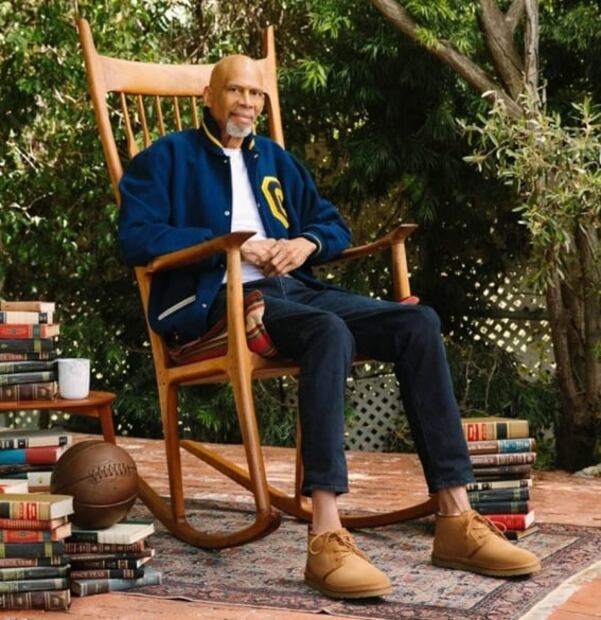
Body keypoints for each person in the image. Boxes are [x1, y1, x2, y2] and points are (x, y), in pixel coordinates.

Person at [118, 54, 541, 599]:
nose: (247, 102)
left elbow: (330, 224)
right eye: (235, 91)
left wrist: (305, 244)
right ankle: (325, 533)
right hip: (217, 301)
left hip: (296, 291)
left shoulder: (275, 160)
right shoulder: (167, 157)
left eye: (255, 93)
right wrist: (233, 246)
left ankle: (456, 518)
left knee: (417, 323)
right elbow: (136, 237)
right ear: (209, 97)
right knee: (328, 332)